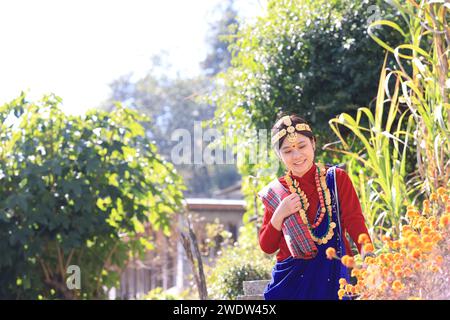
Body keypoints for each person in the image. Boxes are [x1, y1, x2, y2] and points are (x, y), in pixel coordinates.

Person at [258, 114, 371, 300]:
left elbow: (355, 223)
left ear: (313, 143)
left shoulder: (336, 179)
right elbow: (267, 246)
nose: (296, 155)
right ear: (279, 155)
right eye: (287, 151)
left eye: (302, 146)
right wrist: (280, 213)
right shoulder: (277, 192)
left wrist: (370, 260)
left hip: (336, 277)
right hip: (291, 285)